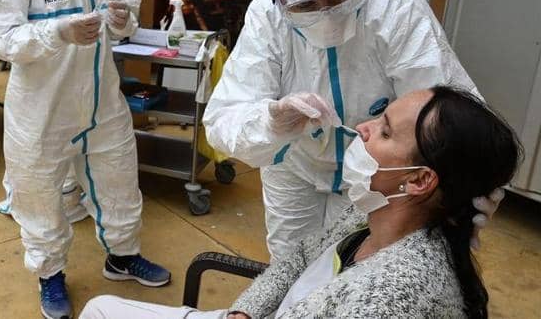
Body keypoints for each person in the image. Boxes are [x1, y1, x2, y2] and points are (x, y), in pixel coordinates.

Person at [81, 86, 521, 318]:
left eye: (385, 131)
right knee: (100, 308)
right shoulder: (371, 215)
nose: (364, 128)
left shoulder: (390, 297)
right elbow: (299, 257)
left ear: (420, 180)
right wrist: (244, 311)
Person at [203, 0, 491, 258]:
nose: (326, 12)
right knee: (291, 264)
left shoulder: (393, 3)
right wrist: (269, 122)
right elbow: (224, 120)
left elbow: (446, 111)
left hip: (380, 175)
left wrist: (462, 197)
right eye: (306, 4)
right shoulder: (267, 17)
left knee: (364, 268)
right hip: (295, 167)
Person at [0, 0, 171, 317]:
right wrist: (58, 32)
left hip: (102, 97)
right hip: (43, 106)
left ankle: (122, 256)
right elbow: (1, 36)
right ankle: (50, 275)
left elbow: (128, 0)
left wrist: (124, 19)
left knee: (119, 179)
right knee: (40, 192)